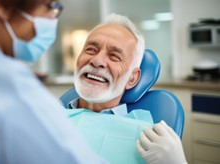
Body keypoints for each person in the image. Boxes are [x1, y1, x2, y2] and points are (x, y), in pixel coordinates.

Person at [0, 0, 107, 163]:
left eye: (114, 56)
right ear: (3, 7)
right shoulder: (8, 84)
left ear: (133, 77)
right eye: (51, 6)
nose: (53, 17)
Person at [65, 13, 187, 164]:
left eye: (114, 56)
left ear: (132, 78)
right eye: (91, 49)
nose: (97, 61)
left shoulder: (149, 139)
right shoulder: (51, 113)